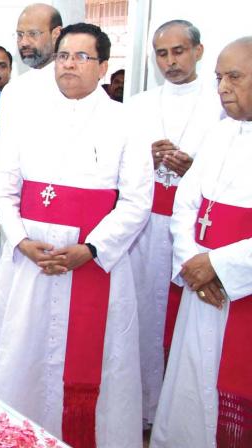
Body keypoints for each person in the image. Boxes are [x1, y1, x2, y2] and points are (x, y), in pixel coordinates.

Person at [0, 23, 151, 448]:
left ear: (104, 66)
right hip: (30, 261)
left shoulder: (126, 121)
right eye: (63, 56)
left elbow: (136, 201)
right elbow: (3, 187)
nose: (69, 65)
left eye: (81, 57)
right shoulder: (28, 116)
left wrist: (91, 248)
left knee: (95, 367)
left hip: (93, 265)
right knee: (22, 355)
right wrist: (19, 239)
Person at [151, 36, 252, 448]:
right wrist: (192, 260)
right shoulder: (220, 132)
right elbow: (186, 203)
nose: (223, 87)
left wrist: (220, 265)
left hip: (238, 287)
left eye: (234, 77)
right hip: (202, 286)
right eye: (218, 78)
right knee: (191, 385)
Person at [125, 19, 223, 428]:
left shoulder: (221, 104)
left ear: (198, 51)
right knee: (143, 317)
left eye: (178, 51)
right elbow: (122, 166)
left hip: (196, 230)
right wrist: (144, 159)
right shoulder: (140, 104)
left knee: (183, 323)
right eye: (162, 54)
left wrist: (195, 169)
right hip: (145, 227)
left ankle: (177, 415)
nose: (170, 61)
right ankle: (143, 409)